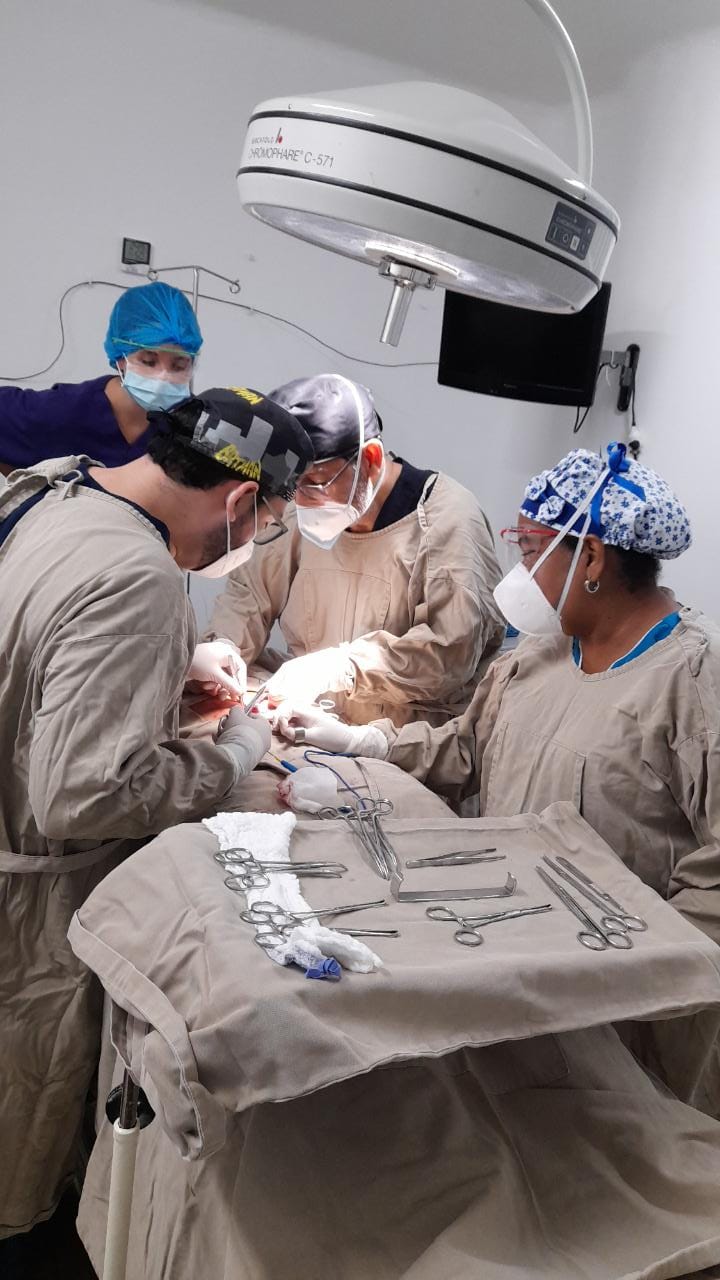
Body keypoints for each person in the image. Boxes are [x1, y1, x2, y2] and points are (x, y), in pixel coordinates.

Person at [0, 385, 313, 1251]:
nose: (255, 543)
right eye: (268, 524)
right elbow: (83, 795)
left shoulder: (56, 489)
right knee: (18, 1154)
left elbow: (33, 660)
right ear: (245, 499)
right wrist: (234, 753)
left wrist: (162, 675)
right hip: (26, 919)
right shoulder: (138, 576)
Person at [278, 440, 720, 944]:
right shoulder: (538, 656)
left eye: (530, 550)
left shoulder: (695, 680)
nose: (520, 573)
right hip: (510, 934)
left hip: (618, 966)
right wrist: (361, 743)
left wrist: (658, 952)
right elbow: (469, 751)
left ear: (592, 557)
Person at [207, 373, 505, 727]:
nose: (299, 500)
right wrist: (224, 648)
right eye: (289, 486)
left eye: (316, 484)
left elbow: (449, 654)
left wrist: (342, 668)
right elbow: (249, 596)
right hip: (304, 718)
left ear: (371, 459)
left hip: (405, 743)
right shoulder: (295, 503)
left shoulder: (447, 520)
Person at [0, 280, 202, 475]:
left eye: (178, 365)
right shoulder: (65, 410)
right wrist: (24, 498)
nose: (163, 377)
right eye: (149, 361)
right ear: (121, 358)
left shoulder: (190, 426)